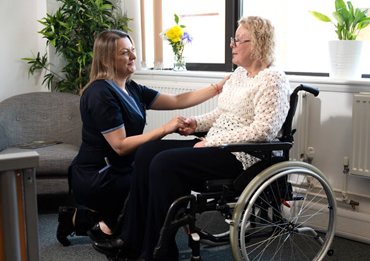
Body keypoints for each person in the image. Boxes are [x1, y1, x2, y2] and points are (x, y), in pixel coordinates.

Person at [93, 16, 291, 261]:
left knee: (165, 163)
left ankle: (160, 252)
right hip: (216, 145)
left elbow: (264, 131)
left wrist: (213, 141)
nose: (232, 44)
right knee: (147, 152)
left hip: (243, 156)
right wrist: (196, 123)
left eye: (238, 40)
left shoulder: (273, 79)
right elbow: (222, 113)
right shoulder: (240, 75)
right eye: (233, 39)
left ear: (258, 43)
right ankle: (131, 238)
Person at [56, 29, 230, 247]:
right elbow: (119, 146)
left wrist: (217, 88)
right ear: (105, 59)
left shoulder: (131, 87)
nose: (133, 57)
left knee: (154, 181)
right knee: (152, 186)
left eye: (133, 50)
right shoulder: (100, 93)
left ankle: (108, 225)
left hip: (123, 168)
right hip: (98, 175)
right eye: (124, 53)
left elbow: (176, 99)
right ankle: (85, 220)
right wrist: (165, 129)